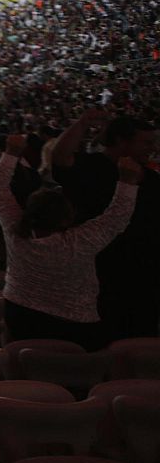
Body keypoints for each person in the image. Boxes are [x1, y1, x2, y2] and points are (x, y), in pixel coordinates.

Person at [0, 133, 139, 348]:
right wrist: (128, 181)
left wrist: (11, 152)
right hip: (74, 325)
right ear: (67, 218)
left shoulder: (15, 231)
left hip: (20, 314)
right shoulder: (79, 242)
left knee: (28, 363)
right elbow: (118, 217)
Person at [50, 111, 159, 342]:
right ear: (121, 141)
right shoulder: (91, 167)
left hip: (142, 277)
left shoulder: (152, 179)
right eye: (146, 142)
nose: (152, 148)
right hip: (96, 274)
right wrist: (81, 124)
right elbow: (60, 158)